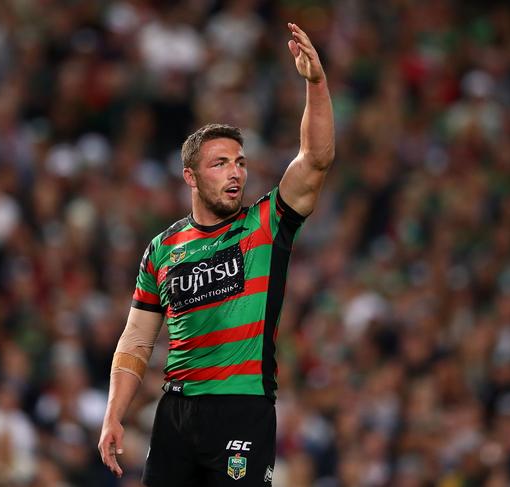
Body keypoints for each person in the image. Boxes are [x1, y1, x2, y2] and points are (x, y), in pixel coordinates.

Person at [98, 23, 334, 486]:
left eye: (241, 163)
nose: (235, 173)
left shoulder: (265, 224)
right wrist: (113, 415)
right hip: (176, 411)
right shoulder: (162, 249)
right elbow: (136, 342)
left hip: (241, 408)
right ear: (190, 177)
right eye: (220, 163)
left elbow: (316, 158)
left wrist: (316, 84)